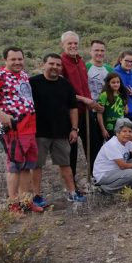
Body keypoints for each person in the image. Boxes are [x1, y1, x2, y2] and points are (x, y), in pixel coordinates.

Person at [0, 47, 43, 213]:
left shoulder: (23, 75)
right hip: (12, 130)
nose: (17, 62)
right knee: (15, 166)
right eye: (13, 59)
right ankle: (13, 205)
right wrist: (1, 115)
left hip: (29, 129)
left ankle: (25, 202)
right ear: (5, 60)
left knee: (27, 166)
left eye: (20, 59)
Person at [29, 53, 85, 206]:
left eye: (58, 65)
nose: (55, 67)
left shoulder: (66, 85)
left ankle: (72, 192)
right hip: (39, 133)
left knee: (65, 164)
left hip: (61, 132)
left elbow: (72, 108)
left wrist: (74, 128)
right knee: (37, 165)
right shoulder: (32, 83)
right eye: (51, 64)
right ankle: (36, 196)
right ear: (44, 65)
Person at [60, 30, 102, 181]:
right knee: (71, 149)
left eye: (75, 43)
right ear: (63, 45)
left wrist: (90, 102)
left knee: (94, 143)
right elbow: (62, 90)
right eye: (69, 43)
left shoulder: (81, 61)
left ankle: (95, 176)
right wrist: (84, 99)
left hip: (86, 110)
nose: (73, 46)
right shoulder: (61, 62)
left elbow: (85, 86)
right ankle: (72, 183)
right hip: (71, 111)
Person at [92, 118, 132, 194]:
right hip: (103, 174)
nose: (127, 134)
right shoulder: (112, 144)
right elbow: (122, 166)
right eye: (124, 131)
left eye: (130, 131)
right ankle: (105, 189)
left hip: (115, 171)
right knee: (131, 173)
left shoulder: (127, 142)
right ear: (117, 133)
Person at [96, 72, 128, 140]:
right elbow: (99, 114)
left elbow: (125, 110)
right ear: (108, 83)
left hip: (121, 127)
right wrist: (103, 129)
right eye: (113, 82)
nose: (116, 84)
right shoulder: (104, 95)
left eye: (118, 82)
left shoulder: (121, 94)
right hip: (109, 128)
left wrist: (126, 108)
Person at [86, 40, 113, 105]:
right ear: (90, 52)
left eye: (102, 50)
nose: (100, 53)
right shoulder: (85, 67)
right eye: (96, 50)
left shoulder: (109, 69)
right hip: (91, 108)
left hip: (107, 107)